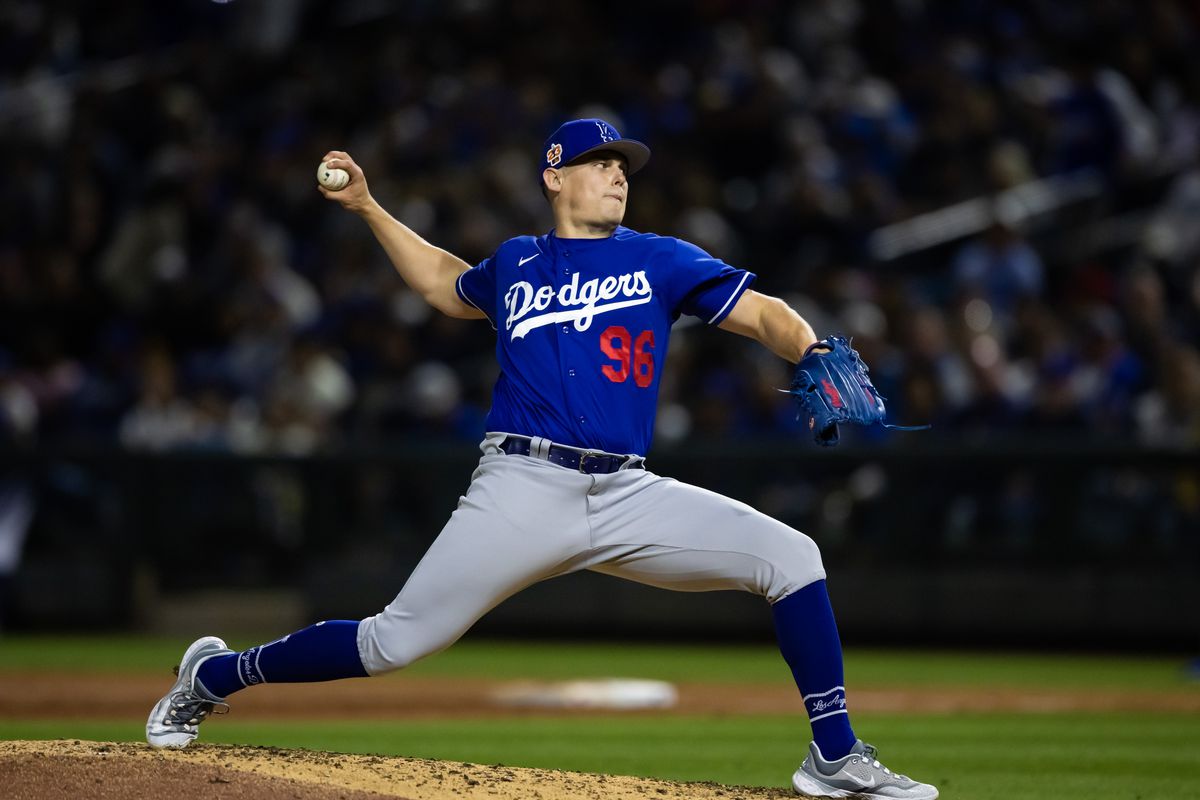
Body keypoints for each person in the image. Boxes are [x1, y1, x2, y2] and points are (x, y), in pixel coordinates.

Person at [146, 118, 938, 799]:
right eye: (602, 164)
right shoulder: (517, 261)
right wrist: (367, 206)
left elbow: (762, 312)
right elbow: (442, 283)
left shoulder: (660, 258)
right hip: (520, 486)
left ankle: (834, 755)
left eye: (624, 167)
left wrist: (811, 346)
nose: (618, 177)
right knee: (394, 644)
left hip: (627, 492)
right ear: (554, 175)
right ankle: (215, 677)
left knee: (791, 556)